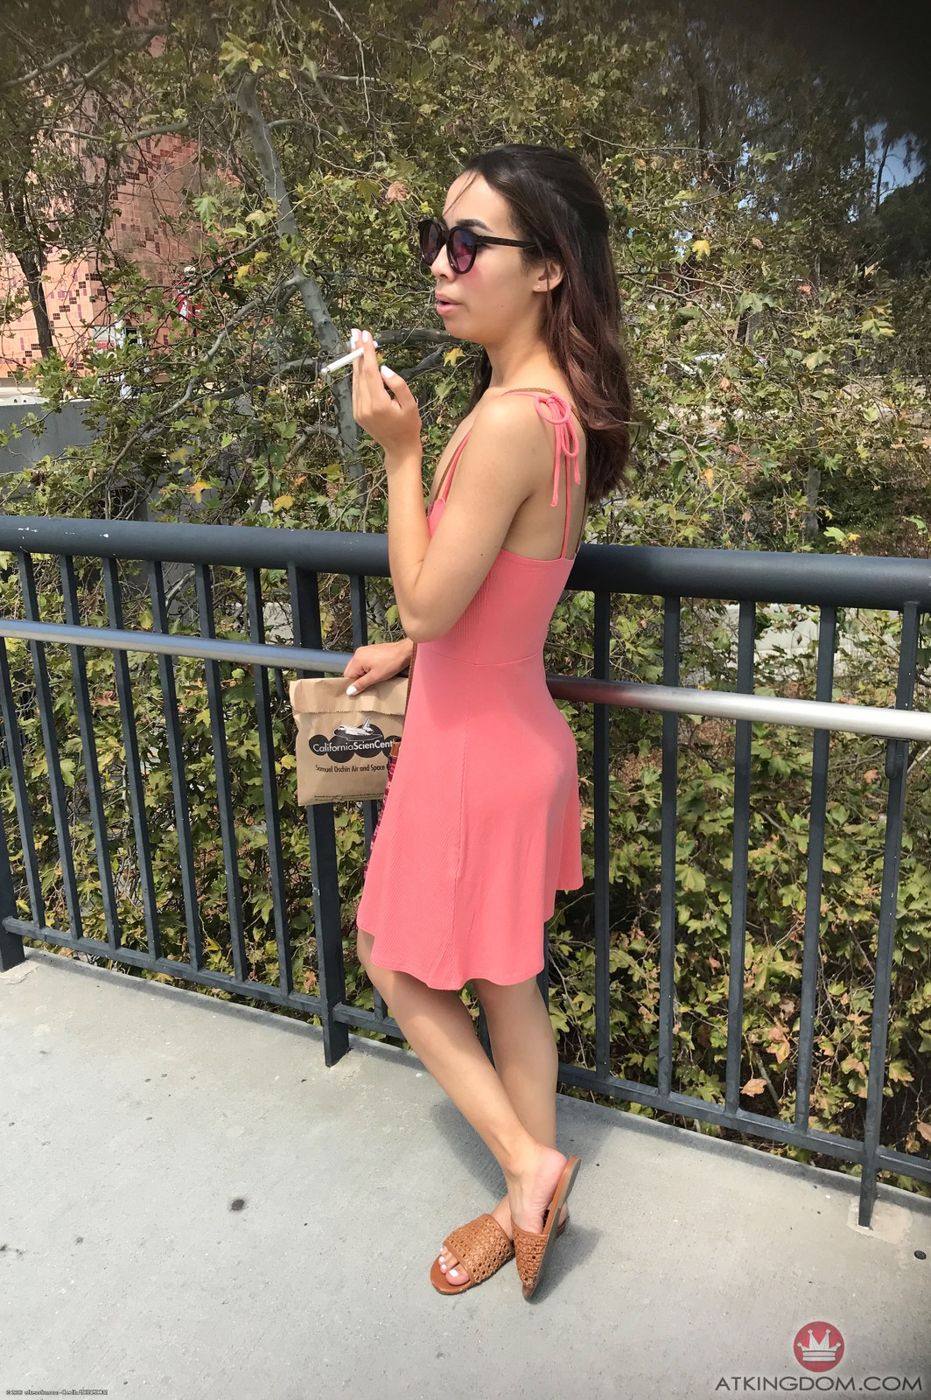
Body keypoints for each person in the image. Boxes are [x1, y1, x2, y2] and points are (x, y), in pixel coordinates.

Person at [343, 143, 632, 1297]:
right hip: (513, 737)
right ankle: (528, 1209)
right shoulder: (557, 412)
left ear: (548, 267)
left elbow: (428, 594)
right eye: (436, 239)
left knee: (390, 959)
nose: (440, 264)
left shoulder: (508, 419)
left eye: (468, 244)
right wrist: (414, 648)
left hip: (469, 756)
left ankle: (526, 1166)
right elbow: (485, 595)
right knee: (508, 981)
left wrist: (400, 454)